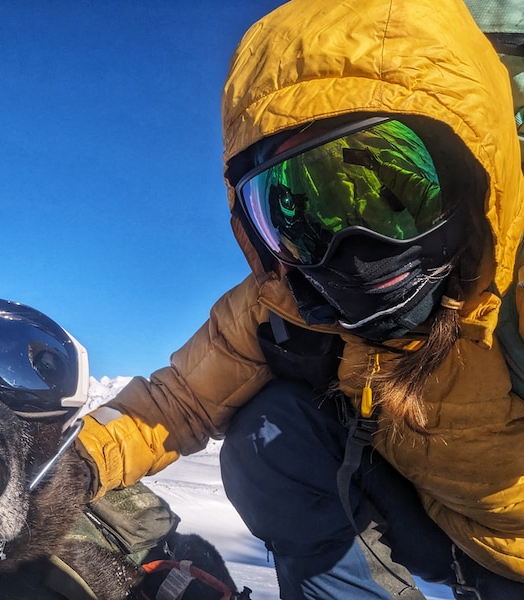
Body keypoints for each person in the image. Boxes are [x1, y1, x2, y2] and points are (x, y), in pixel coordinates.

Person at [71, 1, 524, 598]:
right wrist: (71, 468)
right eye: (299, 214)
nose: (350, 246)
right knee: (269, 431)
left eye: (390, 195)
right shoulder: (288, 302)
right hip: (441, 530)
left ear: (470, 171)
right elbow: (174, 401)